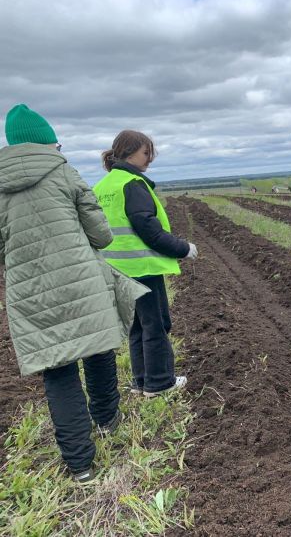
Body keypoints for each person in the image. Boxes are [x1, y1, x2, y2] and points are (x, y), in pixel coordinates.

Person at [0, 104, 148, 483]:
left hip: (30, 292)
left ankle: (80, 464)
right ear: (49, 143)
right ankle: (107, 421)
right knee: (97, 350)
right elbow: (101, 235)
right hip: (82, 282)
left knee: (59, 371)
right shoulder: (66, 174)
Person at [94, 130, 198, 398]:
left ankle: (141, 382)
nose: (149, 158)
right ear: (130, 153)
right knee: (156, 324)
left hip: (116, 270)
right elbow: (148, 229)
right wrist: (183, 248)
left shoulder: (103, 186)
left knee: (137, 326)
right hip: (141, 268)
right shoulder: (132, 184)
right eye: (145, 152)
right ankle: (159, 383)